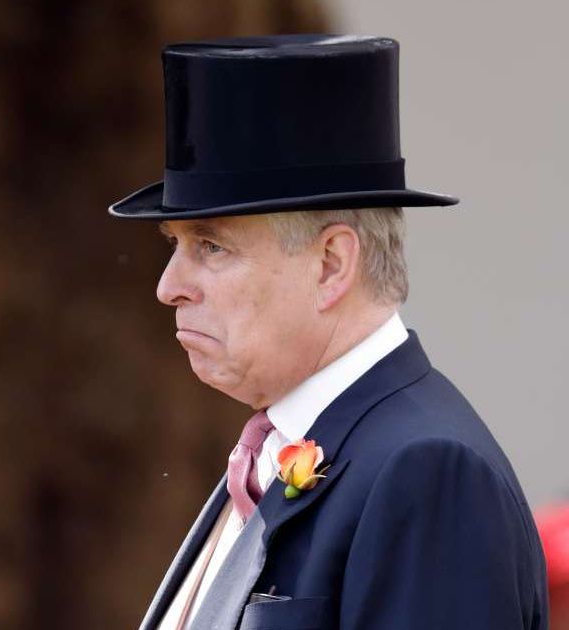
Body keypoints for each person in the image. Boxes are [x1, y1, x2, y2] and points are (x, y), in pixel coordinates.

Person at [109, 35, 548, 629]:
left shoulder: (426, 472)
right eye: (176, 246)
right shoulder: (290, 443)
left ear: (331, 265)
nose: (169, 286)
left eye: (211, 246)